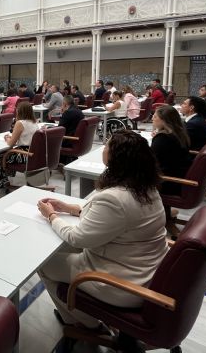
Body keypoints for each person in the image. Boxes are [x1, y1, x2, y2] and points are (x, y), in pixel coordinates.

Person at [38, 130, 167, 330]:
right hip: (142, 269)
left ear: (117, 158)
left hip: (119, 283)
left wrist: (50, 215)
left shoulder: (115, 198)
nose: (103, 148)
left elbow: (76, 238)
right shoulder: (146, 187)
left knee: (44, 263)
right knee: (60, 249)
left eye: (107, 145)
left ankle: (82, 322)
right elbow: (115, 221)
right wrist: (69, 208)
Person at [0, 102, 39, 189]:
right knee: (8, 153)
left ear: (20, 112)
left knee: (2, 155)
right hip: (33, 153)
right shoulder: (35, 123)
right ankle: (8, 175)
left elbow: (11, 143)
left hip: (23, 154)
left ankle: (2, 181)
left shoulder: (20, 123)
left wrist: (7, 138)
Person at [151, 105, 192, 198]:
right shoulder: (180, 133)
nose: (152, 118)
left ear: (164, 120)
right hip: (178, 176)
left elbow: (149, 161)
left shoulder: (162, 138)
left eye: (155, 116)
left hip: (167, 182)